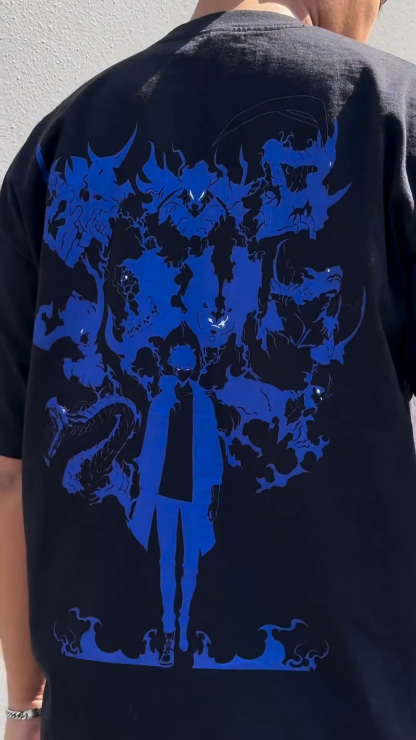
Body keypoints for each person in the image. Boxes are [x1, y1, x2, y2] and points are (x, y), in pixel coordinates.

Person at [3, 0, 416, 737]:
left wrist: (25, 701)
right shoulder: (395, 112)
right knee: (180, 534)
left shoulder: (57, 140)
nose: (371, 23)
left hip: (103, 718)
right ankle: (178, 630)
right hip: (352, 715)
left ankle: (172, 635)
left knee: (181, 535)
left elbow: (9, 472)